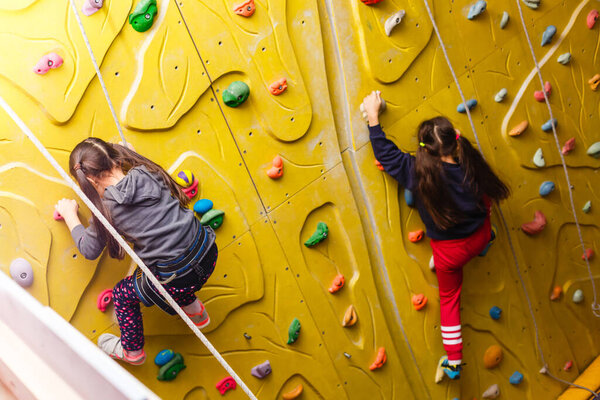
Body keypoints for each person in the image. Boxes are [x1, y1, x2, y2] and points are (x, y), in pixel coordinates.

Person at [362, 91, 510, 379]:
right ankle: (485, 244)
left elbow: (386, 154)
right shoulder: (471, 162)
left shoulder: (417, 173)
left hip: (450, 254)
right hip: (479, 234)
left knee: (450, 298)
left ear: (425, 151)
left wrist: (373, 116)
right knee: (485, 203)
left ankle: (454, 361)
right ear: (456, 137)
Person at [55, 138, 217, 365]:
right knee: (170, 265)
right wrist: (126, 152)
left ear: (89, 180)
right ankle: (194, 310)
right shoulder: (146, 171)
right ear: (116, 158)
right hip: (208, 249)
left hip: (178, 276)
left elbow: (88, 249)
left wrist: (70, 215)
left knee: (123, 295)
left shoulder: (105, 212)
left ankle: (133, 352)